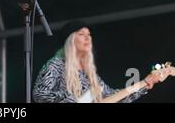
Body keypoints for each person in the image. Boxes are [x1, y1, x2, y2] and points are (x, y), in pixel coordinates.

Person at [32, 20, 160, 103]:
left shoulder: (89, 74)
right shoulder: (55, 65)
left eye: (89, 35)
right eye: (81, 34)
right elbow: (39, 95)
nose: (87, 38)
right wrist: (73, 100)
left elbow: (112, 97)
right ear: (70, 40)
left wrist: (143, 84)